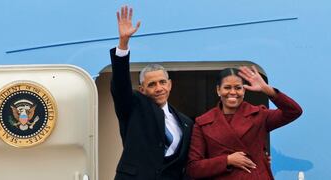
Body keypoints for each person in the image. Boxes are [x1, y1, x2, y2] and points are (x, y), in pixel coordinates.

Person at [110, 6, 194, 180]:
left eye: (163, 82)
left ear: (170, 85)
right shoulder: (134, 106)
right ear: (142, 89)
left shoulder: (186, 122)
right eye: (152, 84)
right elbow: (120, 86)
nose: (159, 88)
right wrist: (123, 44)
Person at [186, 66, 302, 180]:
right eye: (227, 87)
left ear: (244, 90)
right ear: (218, 90)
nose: (232, 92)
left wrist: (267, 89)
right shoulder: (202, 123)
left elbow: (294, 111)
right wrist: (227, 160)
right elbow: (194, 169)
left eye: (238, 88)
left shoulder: (259, 115)